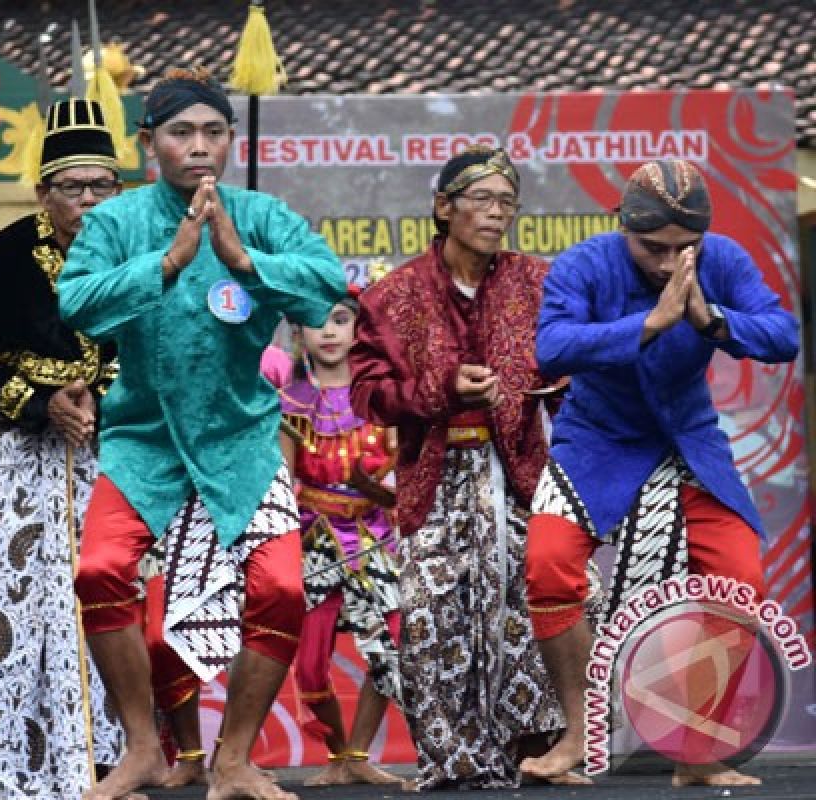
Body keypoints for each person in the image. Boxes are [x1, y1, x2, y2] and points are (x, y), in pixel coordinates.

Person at [59, 66, 346, 800]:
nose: (200, 147)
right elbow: (76, 304)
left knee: (282, 586)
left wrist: (244, 260)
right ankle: (141, 748)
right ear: (149, 142)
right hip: (142, 439)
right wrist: (168, 263)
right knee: (97, 571)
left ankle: (235, 760)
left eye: (213, 133)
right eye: (181, 133)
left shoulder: (260, 214)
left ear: (229, 140)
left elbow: (323, 287)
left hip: (240, 440)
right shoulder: (115, 222)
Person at [521, 158, 800, 788]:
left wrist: (712, 321)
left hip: (687, 443)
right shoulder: (585, 264)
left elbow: (783, 333)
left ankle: (695, 747)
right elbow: (553, 347)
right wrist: (647, 325)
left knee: (740, 582)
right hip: (596, 442)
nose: (670, 261)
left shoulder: (721, 260)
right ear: (621, 224)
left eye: (684, 247)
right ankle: (578, 732)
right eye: (653, 247)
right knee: (547, 563)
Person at [349, 146, 564, 790]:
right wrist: (445, 386)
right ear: (444, 208)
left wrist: (549, 383)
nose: (497, 215)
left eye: (507, 203)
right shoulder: (394, 295)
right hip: (436, 477)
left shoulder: (538, 281)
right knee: (438, 615)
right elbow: (370, 395)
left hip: (522, 468)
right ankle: (454, 759)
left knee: (535, 605)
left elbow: (566, 361)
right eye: (483, 201)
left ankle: (542, 753)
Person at [0, 97, 123, 799]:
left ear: (118, 189)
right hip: (14, 455)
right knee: (9, 605)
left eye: (99, 185)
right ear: (42, 191)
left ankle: (102, 767)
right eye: (71, 187)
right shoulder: (4, 255)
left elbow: (153, 348)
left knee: (98, 598)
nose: (85, 200)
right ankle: (3, 769)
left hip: (104, 449)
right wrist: (42, 404)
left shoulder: (140, 252)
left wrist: (97, 401)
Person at [279, 286, 403, 787]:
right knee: (310, 666)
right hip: (315, 541)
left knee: (389, 646)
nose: (328, 331)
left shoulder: (383, 396)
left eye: (339, 320)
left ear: (359, 329)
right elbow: (284, 484)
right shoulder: (290, 400)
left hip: (376, 538)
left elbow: (405, 487)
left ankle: (358, 754)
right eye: (316, 321)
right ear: (298, 333)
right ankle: (335, 753)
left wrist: (373, 489)